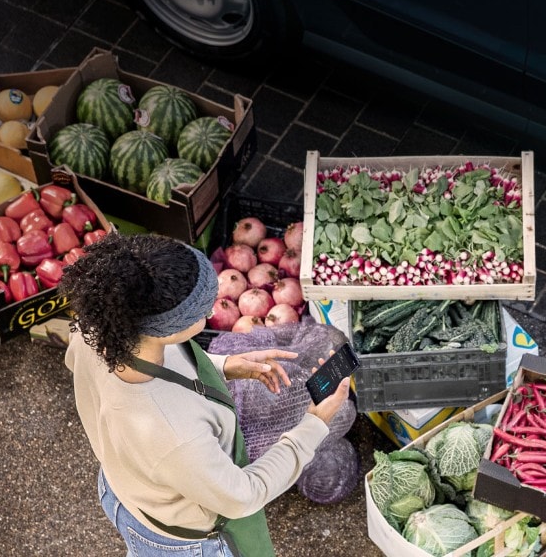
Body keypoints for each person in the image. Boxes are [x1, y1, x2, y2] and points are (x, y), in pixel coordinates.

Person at [61, 233, 350, 556]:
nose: (213, 311)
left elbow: (157, 362)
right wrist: (314, 424)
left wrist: (224, 365)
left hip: (125, 491)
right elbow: (242, 495)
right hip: (178, 540)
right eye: (202, 311)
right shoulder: (173, 435)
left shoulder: (99, 332)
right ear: (169, 329)